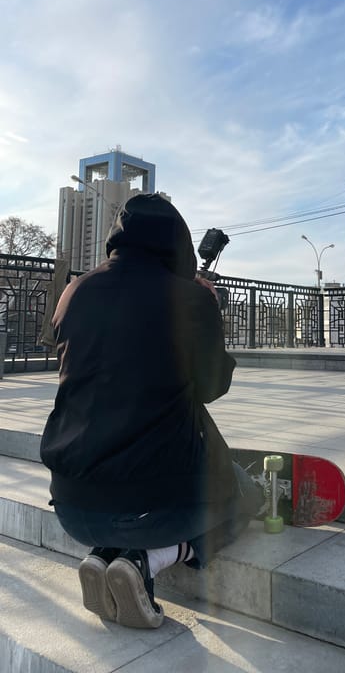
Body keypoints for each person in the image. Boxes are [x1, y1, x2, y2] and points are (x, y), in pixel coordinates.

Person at [40, 193, 263, 630]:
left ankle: (105, 554)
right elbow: (212, 387)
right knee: (243, 498)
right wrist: (206, 310)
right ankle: (147, 558)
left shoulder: (74, 291)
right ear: (177, 243)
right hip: (150, 507)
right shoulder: (190, 300)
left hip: (71, 503)